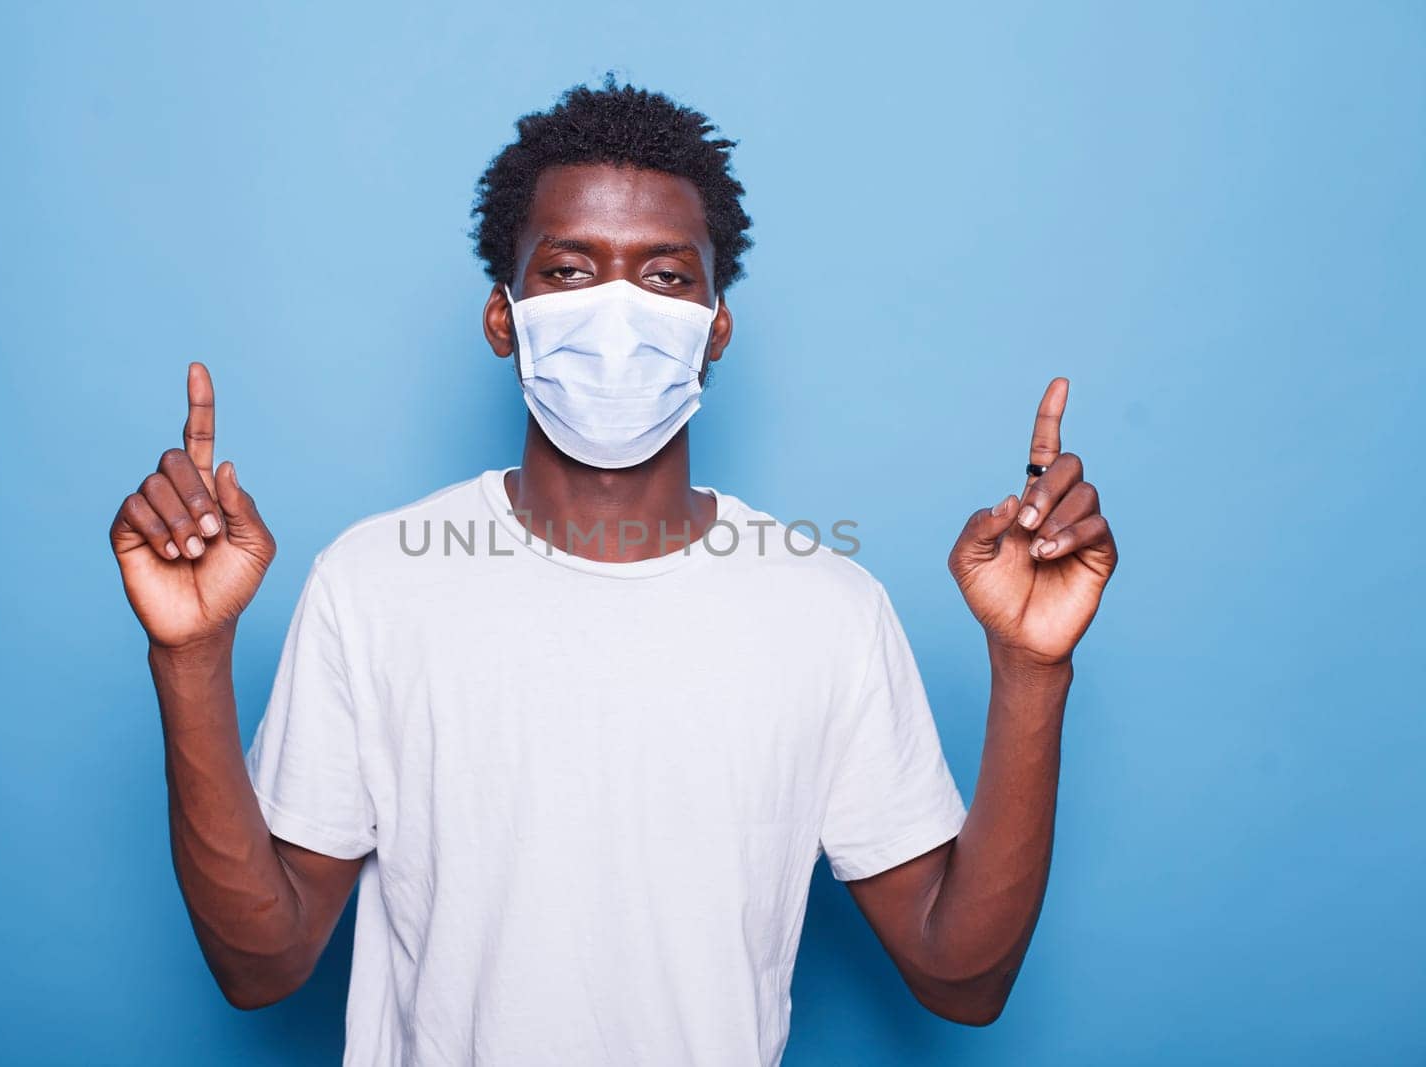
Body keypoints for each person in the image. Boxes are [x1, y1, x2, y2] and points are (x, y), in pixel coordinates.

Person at [109, 78, 1117, 1067]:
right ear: (503, 317)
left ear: (715, 328)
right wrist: (190, 656)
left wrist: (1031, 668)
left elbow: (964, 978)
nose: (618, 312)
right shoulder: (373, 582)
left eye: (667, 277)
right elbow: (263, 965)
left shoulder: (827, 609)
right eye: (570, 271)